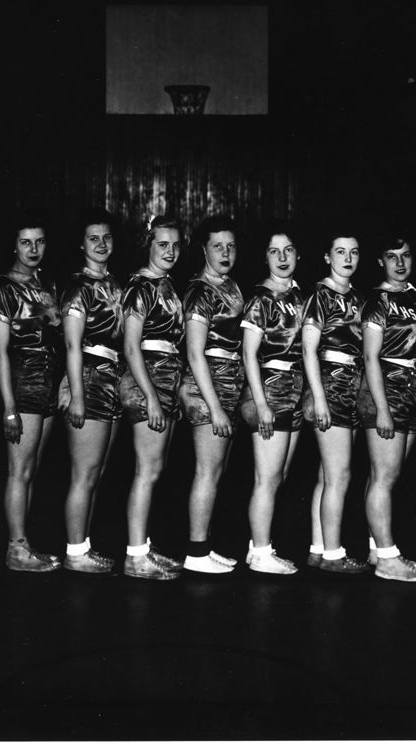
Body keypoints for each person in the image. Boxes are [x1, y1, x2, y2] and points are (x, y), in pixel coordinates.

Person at [0, 214, 63, 573]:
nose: (33, 250)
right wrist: (8, 407)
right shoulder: (5, 287)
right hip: (23, 383)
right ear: (13, 245)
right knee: (18, 470)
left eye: (39, 242)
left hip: (47, 383)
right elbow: (0, 351)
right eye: (25, 242)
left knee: (30, 469)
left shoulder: (46, 282)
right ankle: (15, 548)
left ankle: (24, 544)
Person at [359, 236, 416, 582]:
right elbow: (371, 356)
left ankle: (377, 549)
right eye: (392, 256)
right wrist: (382, 408)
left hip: (414, 390)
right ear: (380, 261)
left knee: (386, 475)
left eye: (405, 255)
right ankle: (389, 558)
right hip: (385, 389)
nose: (400, 263)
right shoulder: (378, 299)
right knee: (385, 477)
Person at [118, 216, 186, 581]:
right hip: (147, 381)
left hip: (166, 381)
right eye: (163, 244)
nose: (171, 251)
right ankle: (134, 556)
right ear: (149, 244)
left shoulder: (167, 285)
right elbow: (130, 347)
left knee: (155, 469)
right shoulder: (140, 286)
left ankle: (143, 546)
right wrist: (152, 398)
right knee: (146, 470)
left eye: (176, 245)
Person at [59, 208, 124, 574]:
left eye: (106, 237)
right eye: (93, 238)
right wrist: (78, 396)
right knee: (83, 473)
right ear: (81, 244)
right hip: (87, 379)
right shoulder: (78, 287)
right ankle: (74, 552)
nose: (101, 244)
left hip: (111, 380)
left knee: (95, 472)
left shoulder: (113, 284)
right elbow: (71, 346)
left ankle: (82, 545)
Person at [302, 232, 371, 575]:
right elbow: (308, 350)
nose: (348, 258)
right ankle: (333, 555)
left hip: (350, 388)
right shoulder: (320, 295)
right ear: (327, 256)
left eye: (354, 252)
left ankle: (318, 548)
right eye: (340, 252)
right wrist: (319, 399)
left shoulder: (357, 296)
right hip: (330, 386)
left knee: (327, 475)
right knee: (339, 476)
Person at [179, 216, 244, 574]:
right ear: (203, 249)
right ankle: (196, 552)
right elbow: (194, 353)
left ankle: (203, 545)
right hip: (207, 388)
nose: (225, 252)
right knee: (206, 470)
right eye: (217, 246)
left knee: (216, 470)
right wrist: (215, 407)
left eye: (231, 246)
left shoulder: (231, 286)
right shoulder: (199, 291)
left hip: (229, 384)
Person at [238, 225, 305, 575]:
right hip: (269, 388)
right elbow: (249, 355)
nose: (282, 258)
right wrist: (261, 403)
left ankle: (258, 547)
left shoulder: (299, 296)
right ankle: (262, 553)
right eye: (274, 251)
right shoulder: (261, 298)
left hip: (293, 389)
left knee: (277, 476)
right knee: (266, 477)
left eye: (289, 250)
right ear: (264, 257)